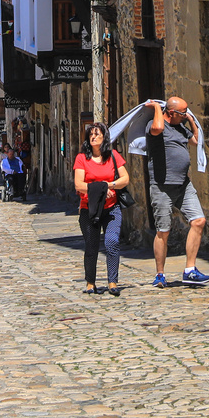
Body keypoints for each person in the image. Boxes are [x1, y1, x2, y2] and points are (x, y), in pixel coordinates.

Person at [147, 97, 209, 286]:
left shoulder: (180, 128)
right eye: (183, 113)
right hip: (162, 186)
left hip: (183, 184)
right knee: (163, 231)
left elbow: (196, 140)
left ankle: (190, 270)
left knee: (199, 221)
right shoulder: (154, 125)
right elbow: (158, 128)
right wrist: (156, 108)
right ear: (172, 112)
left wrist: (191, 119)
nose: (185, 115)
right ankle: (160, 274)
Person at [74, 122, 129, 294]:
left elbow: (125, 179)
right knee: (91, 246)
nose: (93, 137)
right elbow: (79, 184)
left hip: (111, 209)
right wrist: (104, 190)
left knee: (112, 241)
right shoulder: (82, 158)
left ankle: (113, 282)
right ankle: (90, 282)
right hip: (89, 209)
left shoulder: (113, 156)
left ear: (104, 137)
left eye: (97, 134)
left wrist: (111, 185)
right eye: (90, 134)